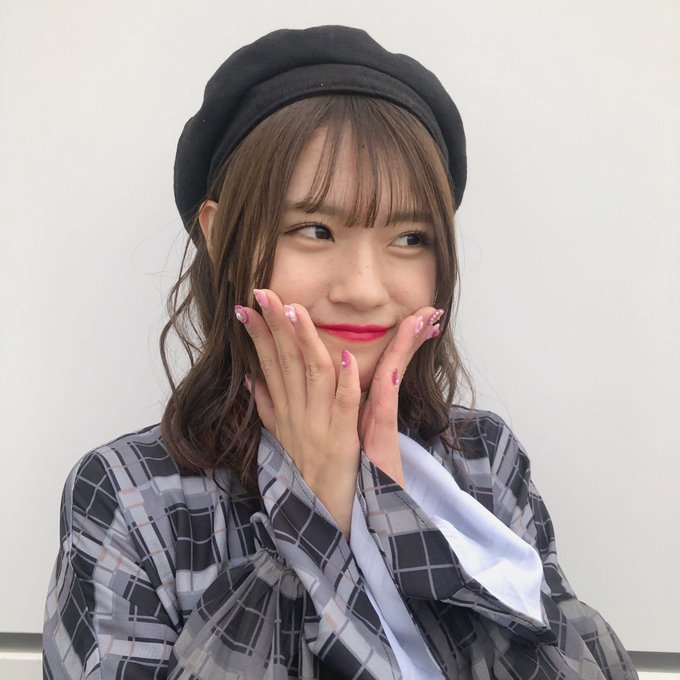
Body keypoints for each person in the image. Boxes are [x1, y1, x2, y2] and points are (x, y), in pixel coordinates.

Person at [42, 25, 638, 680]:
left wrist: (397, 513)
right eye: (315, 229)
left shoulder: (482, 464)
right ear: (217, 234)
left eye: (409, 238)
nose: (363, 289)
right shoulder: (131, 497)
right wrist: (312, 520)